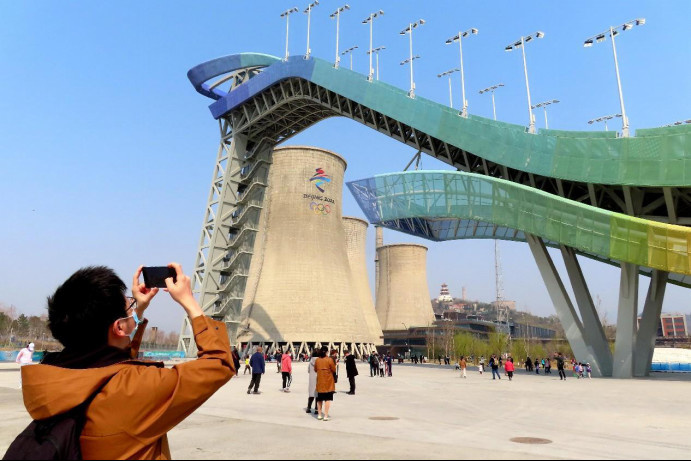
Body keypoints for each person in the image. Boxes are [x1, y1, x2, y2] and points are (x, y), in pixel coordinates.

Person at [18, 264, 234, 460]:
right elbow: (219, 363)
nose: (132, 307)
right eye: (128, 305)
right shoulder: (138, 387)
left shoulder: (54, 377)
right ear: (119, 327)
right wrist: (189, 302)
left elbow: (113, 365)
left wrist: (136, 312)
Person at [314, 346, 336, 421]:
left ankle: (319, 415)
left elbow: (315, 369)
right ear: (327, 352)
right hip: (328, 382)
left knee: (319, 399)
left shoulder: (317, 360)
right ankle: (326, 415)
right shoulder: (329, 360)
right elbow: (333, 369)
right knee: (327, 399)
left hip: (320, 382)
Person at [306, 349, 319, 414]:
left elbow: (308, 370)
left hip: (312, 379)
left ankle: (308, 408)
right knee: (318, 395)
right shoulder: (320, 361)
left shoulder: (310, 361)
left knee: (311, 395)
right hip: (318, 379)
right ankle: (316, 409)